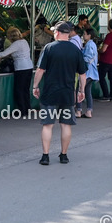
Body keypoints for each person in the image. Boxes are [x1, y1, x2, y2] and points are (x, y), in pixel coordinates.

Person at [32, 22, 86, 165]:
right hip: (67, 93)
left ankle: (45, 156)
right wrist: (81, 90)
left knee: (47, 125)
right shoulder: (76, 50)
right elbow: (82, 74)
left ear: (57, 32)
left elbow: (40, 70)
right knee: (65, 124)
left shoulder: (49, 48)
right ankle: (64, 155)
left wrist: (35, 86)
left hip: (50, 92)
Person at [0, 27, 33, 118]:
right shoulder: (24, 42)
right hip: (29, 66)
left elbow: (3, 53)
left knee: (19, 90)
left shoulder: (16, 44)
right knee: (25, 90)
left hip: (21, 68)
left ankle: (21, 111)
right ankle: (27, 109)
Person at [77, 27, 99, 118]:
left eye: (85, 34)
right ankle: (89, 110)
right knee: (87, 92)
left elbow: (87, 57)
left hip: (87, 72)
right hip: (92, 72)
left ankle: (78, 110)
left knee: (79, 90)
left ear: (89, 35)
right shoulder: (92, 44)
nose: (83, 35)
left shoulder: (89, 45)